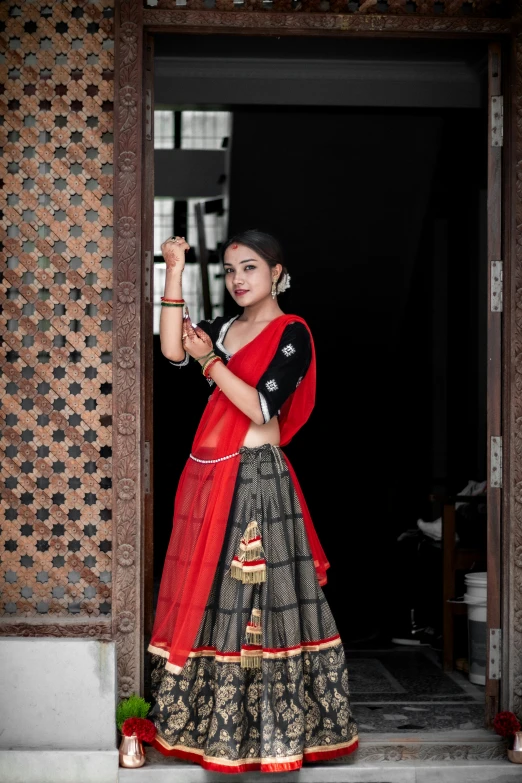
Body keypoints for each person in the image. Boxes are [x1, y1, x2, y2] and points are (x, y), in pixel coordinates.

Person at [147, 229, 358, 773]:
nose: (238, 280)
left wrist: (212, 363)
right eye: (228, 271)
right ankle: (212, 731)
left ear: (277, 273)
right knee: (214, 598)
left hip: (258, 480)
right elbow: (172, 349)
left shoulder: (292, 334)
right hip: (209, 476)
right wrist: (173, 269)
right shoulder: (224, 329)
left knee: (260, 605)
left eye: (250, 268)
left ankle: (274, 737)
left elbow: (262, 408)